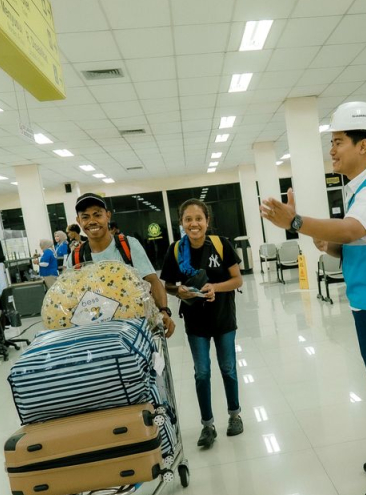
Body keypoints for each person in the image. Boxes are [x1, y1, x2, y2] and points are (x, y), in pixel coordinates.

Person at [260, 102, 366, 495]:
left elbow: (354, 229)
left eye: (337, 142)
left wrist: (297, 222)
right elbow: (357, 241)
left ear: (364, 145)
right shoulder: (362, 190)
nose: (331, 151)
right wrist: (330, 245)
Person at [160, 199, 243, 448]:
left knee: (228, 368)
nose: (194, 223)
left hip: (223, 318)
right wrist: (180, 292)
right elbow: (168, 285)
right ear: (181, 223)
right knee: (202, 372)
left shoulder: (221, 245)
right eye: (188, 219)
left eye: (199, 218)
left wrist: (215, 287)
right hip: (196, 322)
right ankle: (207, 425)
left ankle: (234, 415)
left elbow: (237, 280)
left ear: (207, 221)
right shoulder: (175, 250)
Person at [75, 192, 176, 337]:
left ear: (108, 216)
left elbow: (152, 280)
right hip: (98, 334)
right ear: (78, 220)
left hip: (136, 330)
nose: (92, 221)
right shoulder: (76, 257)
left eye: (97, 215)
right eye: (85, 217)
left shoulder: (127, 245)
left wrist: (164, 311)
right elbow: (71, 299)